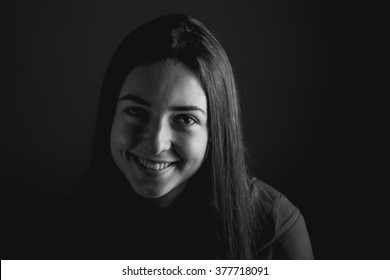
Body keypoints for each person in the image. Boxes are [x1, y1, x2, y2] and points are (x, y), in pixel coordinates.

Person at [73, 13, 313, 260]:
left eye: (185, 119)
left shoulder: (276, 228)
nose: (156, 144)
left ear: (216, 131)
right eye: (136, 111)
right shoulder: (69, 225)